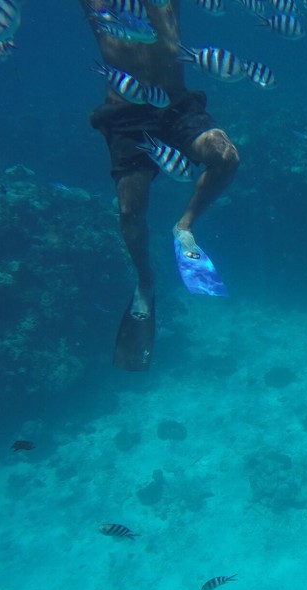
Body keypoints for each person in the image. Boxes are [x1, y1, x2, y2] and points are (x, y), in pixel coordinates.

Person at [80, 0, 239, 370]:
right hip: (125, 113)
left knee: (226, 157)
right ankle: (144, 280)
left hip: (175, 104)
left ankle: (184, 226)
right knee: (130, 211)